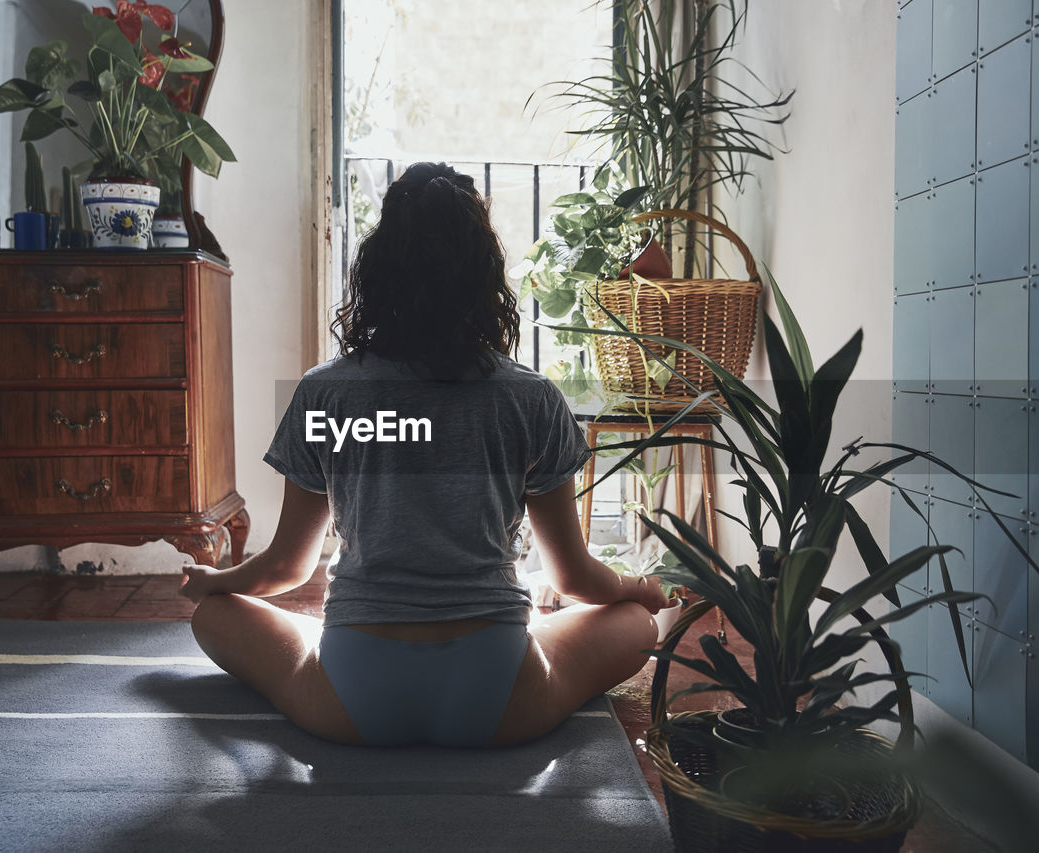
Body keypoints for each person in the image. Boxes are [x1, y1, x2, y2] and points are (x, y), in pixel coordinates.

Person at [179, 161, 673, 747]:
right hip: (500, 700)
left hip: (350, 700)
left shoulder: (326, 392)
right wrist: (637, 588)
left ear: (378, 273)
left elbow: (287, 569)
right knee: (637, 621)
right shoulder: (531, 398)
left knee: (213, 614)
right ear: (485, 273)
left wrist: (216, 580)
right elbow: (574, 578)